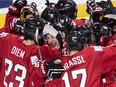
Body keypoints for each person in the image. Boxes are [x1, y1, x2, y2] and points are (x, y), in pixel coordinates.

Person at [0, 18, 64, 87]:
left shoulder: (8, 39)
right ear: (35, 34)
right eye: (40, 33)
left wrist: (10, 25)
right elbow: (58, 53)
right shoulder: (36, 52)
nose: (42, 36)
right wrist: (44, 68)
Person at [44, 29, 116, 87]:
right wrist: (109, 40)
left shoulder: (65, 64)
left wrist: (48, 79)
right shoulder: (92, 53)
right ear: (84, 44)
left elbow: (51, 84)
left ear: (68, 47)